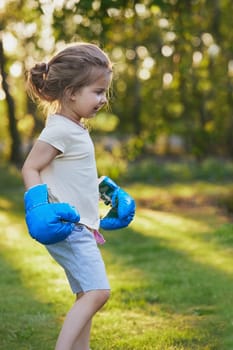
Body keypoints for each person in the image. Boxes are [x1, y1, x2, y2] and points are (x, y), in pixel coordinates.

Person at [21, 43, 135, 350]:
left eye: (105, 92)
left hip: (80, 226)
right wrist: (39, 206)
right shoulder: (60, 130)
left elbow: (68, 173)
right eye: (97, 92)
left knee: (87, 293)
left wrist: (103, 189)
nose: (103, 99)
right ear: (71, 92)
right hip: (69, 228)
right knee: (98, 293)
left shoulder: (73, 128)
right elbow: (30, 167)